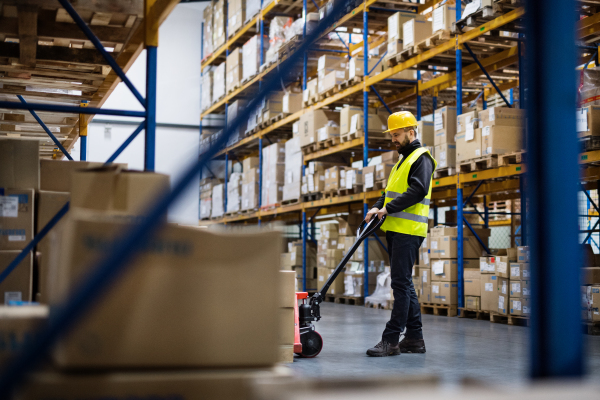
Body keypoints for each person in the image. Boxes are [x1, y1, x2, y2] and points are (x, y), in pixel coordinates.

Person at [364, 111, 437, 357]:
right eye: (392, 135)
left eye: (397, 134)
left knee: (400, 285)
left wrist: (388, 208)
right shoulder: (401, 161)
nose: (393, 139)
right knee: (405, 283)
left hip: (408, 230)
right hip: (395, 229)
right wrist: (377, 206)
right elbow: (390, 192)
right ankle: (415, 338)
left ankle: (391, 340)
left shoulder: (421, 158)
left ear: (411, 132)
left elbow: (418, 190)